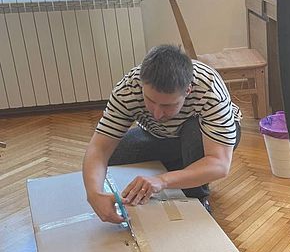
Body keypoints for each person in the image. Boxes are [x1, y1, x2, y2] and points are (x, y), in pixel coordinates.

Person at [83, 44, 241, 223]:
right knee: (116, 155)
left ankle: (197, 196)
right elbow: (99, 148)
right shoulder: (127, 89)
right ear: (142, 85)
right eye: (150, 101)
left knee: (193, 131)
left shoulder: (209, 89)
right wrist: (93, 193)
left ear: (188, 90)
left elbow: (219, 164)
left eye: (168, 105)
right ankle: (183, 165)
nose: (157, 114)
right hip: (160, 135)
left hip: (208, 138)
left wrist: (163, 180)